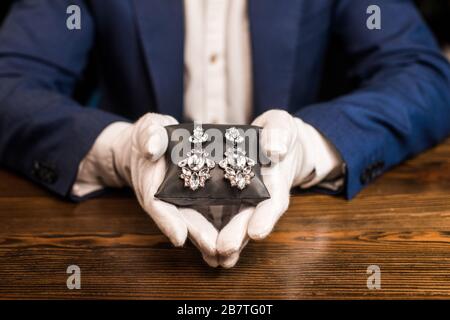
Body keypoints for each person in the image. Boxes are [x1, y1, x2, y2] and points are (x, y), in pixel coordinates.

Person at [0, 0, 449, 268]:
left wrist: (309, 146)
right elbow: (10, 80)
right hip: (133, 242)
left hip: (301, 244)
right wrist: (119, 150)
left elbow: (424, 75)